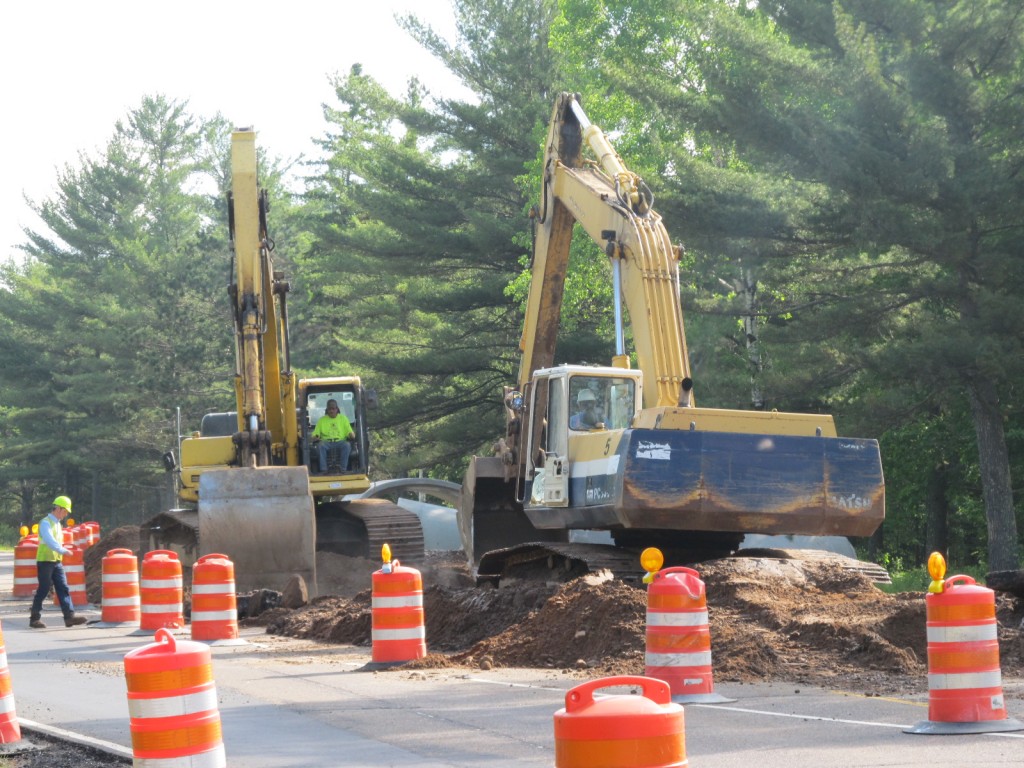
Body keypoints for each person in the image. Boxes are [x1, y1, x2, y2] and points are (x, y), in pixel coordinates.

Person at [30, 495, 87, 628]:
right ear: (59, 509)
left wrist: (61, 552)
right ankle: (34, 619)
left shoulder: (57, 524)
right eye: (65, 511)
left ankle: (69, 617)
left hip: (56, 561)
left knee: (63, 588)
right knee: (43, 590)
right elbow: (49, 540)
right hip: (45, 561)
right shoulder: (45, 523)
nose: (66, 514)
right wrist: (63, 550)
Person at [312, 399, 355, 473]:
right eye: (329, 409)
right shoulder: (321, 420)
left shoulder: (343, 419)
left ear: (337, 409)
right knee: (320, 446)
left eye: (333, 409)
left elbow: (349, 432)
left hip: (340, 441)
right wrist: (315, 437)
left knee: (347, 445)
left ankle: (342, 469)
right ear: (327, 410)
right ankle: (324, 470)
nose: (331, 411)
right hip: (326, 442)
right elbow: (315, 434)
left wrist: (352, 435)